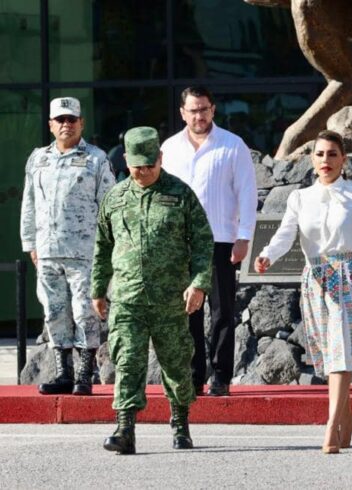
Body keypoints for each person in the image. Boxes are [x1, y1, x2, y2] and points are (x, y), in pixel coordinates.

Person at [255, 130, 352, 454]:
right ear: (312, 159)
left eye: (333, 154)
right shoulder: (300, 198)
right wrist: (268, 254)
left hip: (349, 279)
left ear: (344, 159)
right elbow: (285, 235)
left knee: (340, 351)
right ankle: (348, 417)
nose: (326, 160)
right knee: (333, 353)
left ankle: (330, 427)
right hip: (315, 282)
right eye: (321, 154)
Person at [91, 126, 213, 454]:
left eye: (149, 165)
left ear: (160, 158)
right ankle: (125, 428)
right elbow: (102, 246)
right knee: (128, 361)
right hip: (128, 298)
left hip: (171, 299)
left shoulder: (180, 194)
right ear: (126, 162)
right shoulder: (115, 198)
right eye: (136, 166)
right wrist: (98, 289)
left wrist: (199, 284)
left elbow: (203, 242)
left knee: (175, 364)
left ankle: (180, 422)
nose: (143, 172)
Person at [161, 86, 258, 396]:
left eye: (204, 109)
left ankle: (220, 375)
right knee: (188, 311)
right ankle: (193, 375)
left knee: (222, 311)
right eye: (193, 110)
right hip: (180, 243)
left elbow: (247, 193)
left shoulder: (233, 145)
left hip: (221, 240)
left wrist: (244, 237)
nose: (199, 115)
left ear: (213, 110)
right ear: (182, 113)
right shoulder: (170, 148)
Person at [20, 97, 116, 396]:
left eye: (71, 119)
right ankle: (64, 373)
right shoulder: (38, 158)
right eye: (60, 120)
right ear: (51, 125)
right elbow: (29, 203)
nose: (66, 124)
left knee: (84, 312)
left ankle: (85, 375)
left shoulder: (97, 159)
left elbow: (108, 206)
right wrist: (30, 243)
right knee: (53, 311)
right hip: (47, 251)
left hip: (84, 253)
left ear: (81, 123)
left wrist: (107, 249)